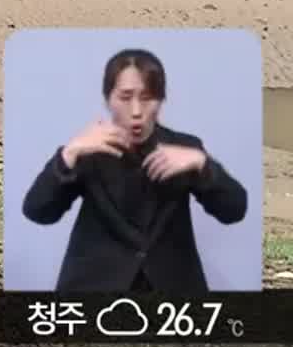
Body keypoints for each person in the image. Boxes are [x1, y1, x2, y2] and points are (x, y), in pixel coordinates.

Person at [21, 48, 248, 292]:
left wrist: (203, 164)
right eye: (125, 97)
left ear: (161, 100)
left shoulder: (185, 149)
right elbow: (37, 211)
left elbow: (234, 210)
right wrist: (69, 154)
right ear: (109, 98)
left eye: (148, 97)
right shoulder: (88, 150)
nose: (137, 111)